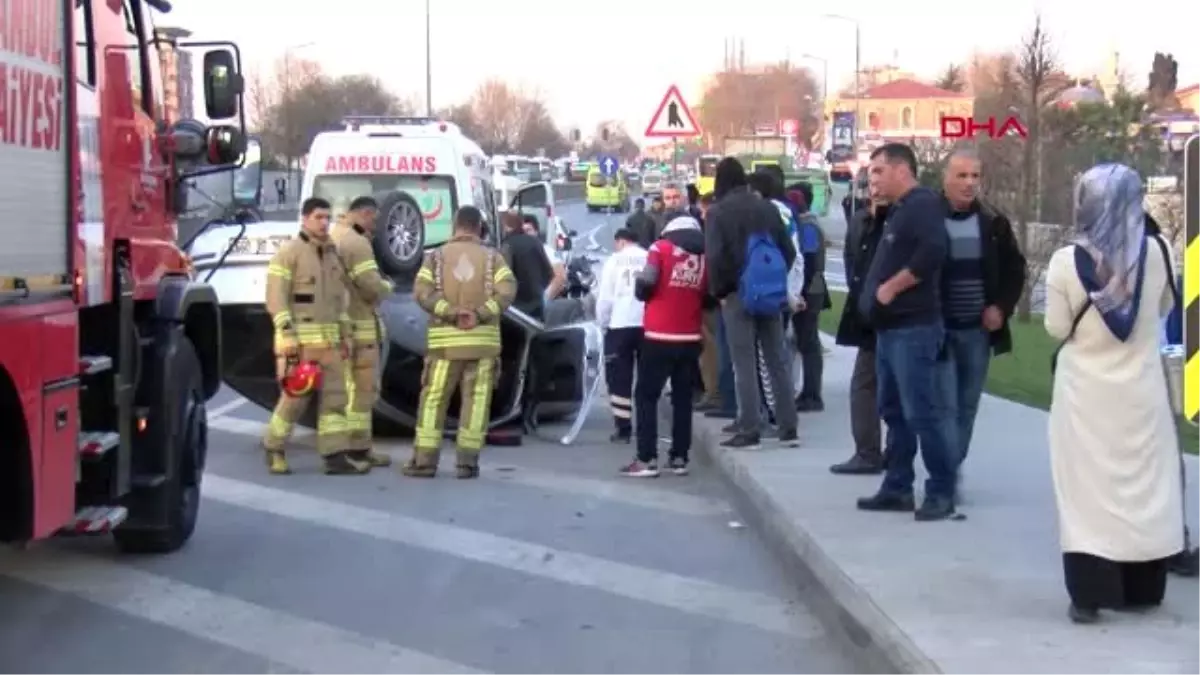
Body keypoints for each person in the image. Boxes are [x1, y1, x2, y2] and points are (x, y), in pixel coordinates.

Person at [1044, 163, 1184, 624]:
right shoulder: (1159, 250)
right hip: (1142, 393)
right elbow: (1164, 308)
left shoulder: (1068, 261)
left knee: (1087, 493)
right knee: (1144, 489)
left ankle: (1089, 593)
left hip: (1085, 395)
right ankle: (1143, 586)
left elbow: (1057, 327)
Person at [855, 143, 957, 521]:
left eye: (879, 171)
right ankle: (898, 486)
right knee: (894, 411)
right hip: (890, 330)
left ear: (901, 170)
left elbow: (932, 253)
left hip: (914, 329)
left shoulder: (923, 204)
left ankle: (941, 491)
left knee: (920, 413)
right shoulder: (898, 211)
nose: (873, 179)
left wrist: (892, 287)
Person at [405, 206, 517, 479]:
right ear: (479, 226)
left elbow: (421, 292)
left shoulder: (435, 257)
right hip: (483, 344)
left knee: (434, 400)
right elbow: (508, 291)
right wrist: (480, 314)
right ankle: (467, 463)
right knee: (477, 402)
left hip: (445, 346)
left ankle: (425, 461)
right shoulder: (494, 258)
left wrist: (450, 312)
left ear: (455, 226)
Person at [262, 197, 366, 475]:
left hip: (331, 345)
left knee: (336, 401)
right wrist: (285, 334)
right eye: (319, 217)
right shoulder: (289, 253)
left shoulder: (333, 255)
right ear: (305, 219)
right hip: (300, 345)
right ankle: (274, 448)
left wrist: (345, 335)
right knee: (294, 401)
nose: (324, 223)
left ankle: (335, 456)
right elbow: (276, 297)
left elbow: (340, 301)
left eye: (327, 218)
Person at [940, 150, 1026, 473]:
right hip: (939, 329)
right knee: (943, 404)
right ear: (946, 178)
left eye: (975, 176)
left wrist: (1001, 308)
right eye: (962, 176)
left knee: (966, 404)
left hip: (976, 331)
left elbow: (1015, 270)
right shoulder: (927, 217)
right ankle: (944, 469)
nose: (969, 183)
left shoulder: (993, 223)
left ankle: (951, 466)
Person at [705, 157, 798, 449]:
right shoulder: (766, 207)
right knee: (776, 358)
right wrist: (773, 278)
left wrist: (720, 291)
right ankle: (788, 426)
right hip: (769, 292)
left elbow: (716, 257)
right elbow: (787, 249)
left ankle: (749, 427)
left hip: (737, 294)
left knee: (742, 361)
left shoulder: (718, 212)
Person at [624, 215, 709, 477]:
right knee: (683, 399)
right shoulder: (705, 255)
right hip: (690, 336)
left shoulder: (660, 248)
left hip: (659, 334)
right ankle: (679, 457)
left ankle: (646, 458)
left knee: (646, 396)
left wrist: (642, 289)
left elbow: (647, 283)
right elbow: (707, 294)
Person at [331, 196, 395, 468]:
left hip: (340, 325)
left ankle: (356, 447)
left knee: (347, 389)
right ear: (364, 214)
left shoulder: (334, 235)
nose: (376, 225)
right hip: (361, 326)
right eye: (374, 219)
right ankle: (357, 447)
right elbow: (370, 285)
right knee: (364, 390)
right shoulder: (357, 243)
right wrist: (388, 287)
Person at [830, 186, 889, 475]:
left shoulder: (903, 220)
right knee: (865, 385)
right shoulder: (860, 221)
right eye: (872, 179)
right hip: (869, 317)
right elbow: (852, 264)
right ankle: (868, 451)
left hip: (898, 317)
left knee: (896, 388)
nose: (876, 187)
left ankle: (890, 452)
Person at [595, 228, 647, 442]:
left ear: (620, 242)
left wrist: (602, 324)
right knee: (646, 377)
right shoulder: (649, 256)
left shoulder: (614, 261)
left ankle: (623, 426)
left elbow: (605, 297)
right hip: (647, 324)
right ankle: (646, 423)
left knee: (618, 378)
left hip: (620, 324)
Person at [785, 181, 830, 412]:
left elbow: (810, 260)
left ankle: (813, 394)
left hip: (810, 290)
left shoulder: (808, 225)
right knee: (805, 341)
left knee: (809, 342)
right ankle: (808, 392)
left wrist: (799, 291)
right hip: (810, 288)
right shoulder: (805, 223)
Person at [499, 211, 553, 319]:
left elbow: (504, 277)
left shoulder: (507, 245)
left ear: (507, 226)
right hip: (538, 306)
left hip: (516, 312)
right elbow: (549, 273)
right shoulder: (535, 242)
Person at [522, 214, 566, 301]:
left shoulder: (547, 251)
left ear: (536, 231)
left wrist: (543, 299)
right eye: (522, 232)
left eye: (528, 230)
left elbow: (560, 277)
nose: (525, 234)